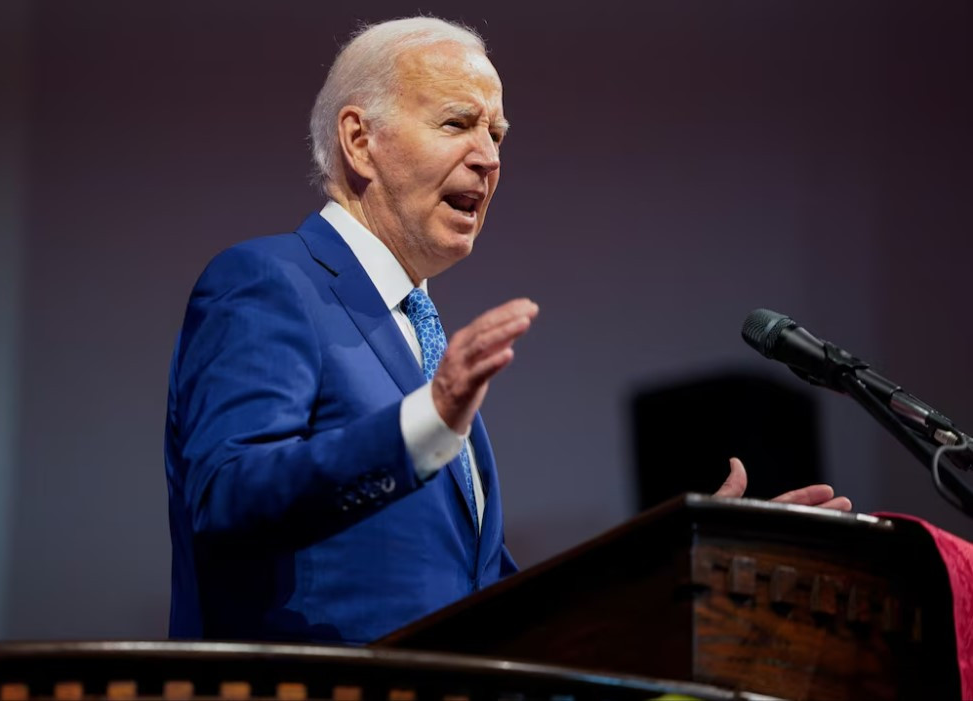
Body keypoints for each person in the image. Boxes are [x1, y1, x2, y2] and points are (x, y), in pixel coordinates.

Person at [164, 16, 850, 645]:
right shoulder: (268, 280)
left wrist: (678, 563)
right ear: (358, 140)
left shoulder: (421, 343)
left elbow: (492, 596)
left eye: (495, 134)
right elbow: (228, 495)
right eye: (457, 123)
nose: (488, 157)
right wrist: (422, 425)